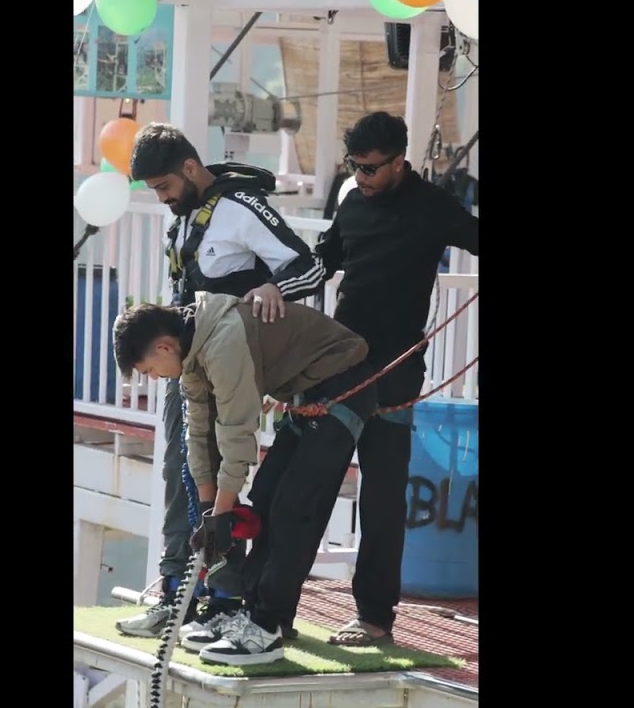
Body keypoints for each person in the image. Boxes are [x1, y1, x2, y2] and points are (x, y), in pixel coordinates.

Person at [113, 123, 325, 640]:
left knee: (225, 481)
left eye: (164, 186)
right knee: (179, 473)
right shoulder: (186, 218)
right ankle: (176, 594)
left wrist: (272, 288)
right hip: (187, 367)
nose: (162, 198)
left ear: (189, 168)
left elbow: (310, 266)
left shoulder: (240, 207)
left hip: (229, 366)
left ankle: (223, 599)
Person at [112, 292, 377, 665]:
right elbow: (200, 435)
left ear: (164, 347)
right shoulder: (191, 354)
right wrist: (210, 510)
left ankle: (265, 628)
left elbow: (237, 432)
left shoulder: (222, 342)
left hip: (346, 385)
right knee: (265, 499)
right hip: (308, 391)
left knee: (294, 508)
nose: (154, 379)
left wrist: (223, 515)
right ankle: (260, 616)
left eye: (149, 370)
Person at [315, 112, 480, 646]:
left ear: (400, 162)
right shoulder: (350, 200)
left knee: (383, 497)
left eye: (369, 169)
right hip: (339, 364)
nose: (360, 178)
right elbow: (327, 258)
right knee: (308, 484)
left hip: (397, 371)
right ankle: (271, 608)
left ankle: (374, 619)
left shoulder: (433, 207)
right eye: (354, 167)